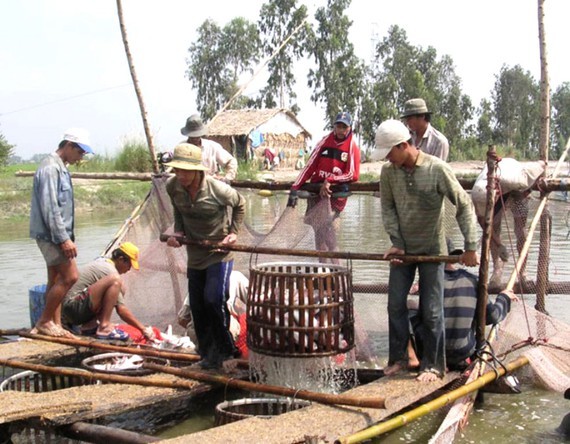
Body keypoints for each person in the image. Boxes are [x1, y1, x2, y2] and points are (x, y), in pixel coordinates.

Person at [375, 119, 479, 382]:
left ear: (403, 146)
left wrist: (470, 246)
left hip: (433, 249)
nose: (388, 159)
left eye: (390, 152)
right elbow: (387, 208)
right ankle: (400, 358)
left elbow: (464, 203)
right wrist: (396, 240)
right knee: (395, 304)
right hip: (403, 250)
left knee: (431, 309)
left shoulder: (436, 168)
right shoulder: (389, 173)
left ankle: (432, 365)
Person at [165, 143, 246, 370]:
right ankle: (207, 354)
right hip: (195, 253)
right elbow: (177, 211)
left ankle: (227, 349)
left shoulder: (216, 189)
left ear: (196, 170)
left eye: (184, 170)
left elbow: (240, 204)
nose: (179, 175)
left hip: (219, 253)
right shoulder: (173, 187)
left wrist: (233, 233)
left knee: (213, 300)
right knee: (198, 306)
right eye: (177, 170)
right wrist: (178, 232)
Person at [29, 128, 94, 338]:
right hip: (51, 235)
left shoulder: (60, 167)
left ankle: (56, 325)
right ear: (68, 146)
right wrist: (63, 239)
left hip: (54, 234)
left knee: (56, 278)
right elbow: (50, 208)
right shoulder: (50, 168)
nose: (81, 157)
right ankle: (45, 320)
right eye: (80, 152)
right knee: (71, 276)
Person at [409, 258, 518, 371]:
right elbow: (493, 316)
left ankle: (411, 356)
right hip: (463, 350)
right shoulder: (473, 279)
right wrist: (503, 298)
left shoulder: (428, 280)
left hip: (432, 351)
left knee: (409, 306)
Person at [287, 111, 360, 260]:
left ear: (349, 128)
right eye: (338, 126)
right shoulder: (324, 142)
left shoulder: (352, 146)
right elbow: (309, 166)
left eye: (344, 127)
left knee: (329, 234)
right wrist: (295, 187)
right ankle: (322, 270)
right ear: (334, 126)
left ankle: (336, 273)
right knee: (319, 233)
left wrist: (331, 180)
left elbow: (353, 174)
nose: (340, 130)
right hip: (316, 193)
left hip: (334, 197)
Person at [471, 157, 546, 286]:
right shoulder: (477, 193)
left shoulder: (516, 180)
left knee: (521, 231)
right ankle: (497, 270)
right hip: (493, 192)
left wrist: (542, 166)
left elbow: (538, 167)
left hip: (517, 192)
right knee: (493, 228)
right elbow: (483, 222)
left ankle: (523, 272)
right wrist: (499, 245)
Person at [61, 242, 155, 341]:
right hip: (71, 309)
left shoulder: (104, 262)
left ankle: (89, 326)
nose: (129, 269)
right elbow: (121, 310)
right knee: (116, 280)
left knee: (121, 287)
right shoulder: (109, 270)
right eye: (129, 264)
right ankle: (104, 327)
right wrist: (143, 329)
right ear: (121, 259)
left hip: (74, 309)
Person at [180, 114, 238, 182]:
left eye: (197, 135)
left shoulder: (212, 146)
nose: (195, 138)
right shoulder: (181, 148)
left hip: (210, 184)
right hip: (188, 185)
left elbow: (231, 161)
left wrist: (228, 178)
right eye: (192, 136)